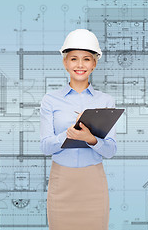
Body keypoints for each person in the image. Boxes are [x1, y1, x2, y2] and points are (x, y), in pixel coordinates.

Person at [40, 29, 117, 230]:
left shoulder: (106, 101)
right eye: (74, 59)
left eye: (86, 59)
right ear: (65, 63)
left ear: (95, 63)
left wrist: (90, 139)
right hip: (62, 180)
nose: (80, 65)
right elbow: (46, 147)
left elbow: (110, 151)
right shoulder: (50, 100)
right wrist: (68, 134)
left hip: (93, 181)